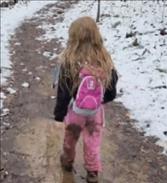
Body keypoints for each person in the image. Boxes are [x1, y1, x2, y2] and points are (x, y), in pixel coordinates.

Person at [54, 16, 118, 183]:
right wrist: (99, 99)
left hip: (75, 111)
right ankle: (92, 172)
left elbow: (63, 92)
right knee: (93, 141)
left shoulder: (69, 61)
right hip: (95, 112)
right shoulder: (104, 60)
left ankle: (67, 161)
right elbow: (111, 91)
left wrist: (59, 113)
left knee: (70, 138)